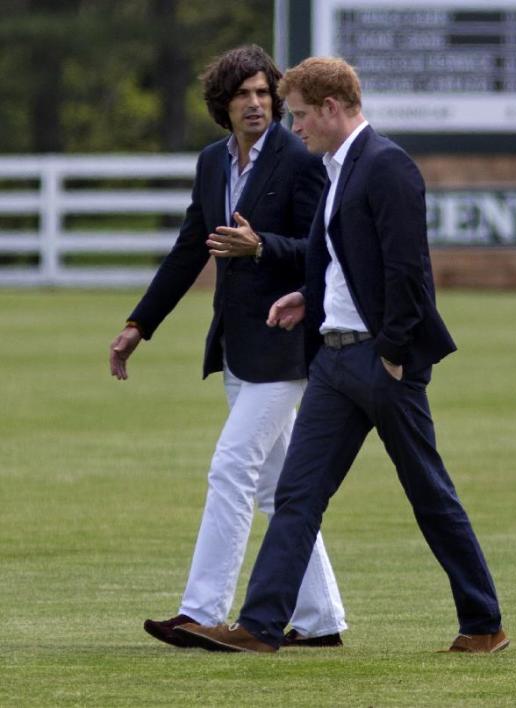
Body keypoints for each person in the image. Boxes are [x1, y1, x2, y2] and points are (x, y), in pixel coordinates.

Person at [176, 57, 507, 654]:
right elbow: (343, 258)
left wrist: (395, 355)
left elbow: (409, 272)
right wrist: (310, 296)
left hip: (382, 363)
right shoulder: (335, 169)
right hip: (331, 361)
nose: (292, 127)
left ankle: (483, 624)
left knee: (428, 494)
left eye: (300, 115)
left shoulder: (387, 166)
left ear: (332, 108)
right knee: (296, 497)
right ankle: (259, 627)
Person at [108, 45, 347, 649]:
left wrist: (261, 245)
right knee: (276, 488)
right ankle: (321, 623)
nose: (256, 104)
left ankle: (202, 611)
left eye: (265, 93)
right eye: (243, 94)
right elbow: (191, 247)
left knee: (232, 469)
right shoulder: (213, 163)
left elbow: (320, 246)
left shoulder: (298, 159)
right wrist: (141, 324)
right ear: (223, 104)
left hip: (285, 344)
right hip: (236, 349)